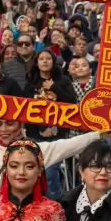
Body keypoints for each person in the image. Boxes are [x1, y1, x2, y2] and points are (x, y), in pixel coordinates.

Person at [24, 49, 77, 198]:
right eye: (41, 59)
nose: (45, 61)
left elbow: (72, 104)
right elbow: (25, 110)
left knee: (51, 173)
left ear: (53, 62)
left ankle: (55, 206)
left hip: (57, 134)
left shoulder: (63, 81)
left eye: (48, 58)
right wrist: (41, 128)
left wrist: (54, 88)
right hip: (35, 134)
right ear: (37, 62)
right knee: (34, 172)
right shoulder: (30, 83)